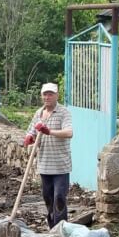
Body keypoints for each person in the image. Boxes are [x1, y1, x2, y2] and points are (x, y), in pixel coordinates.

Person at [22, 82, 74, 229]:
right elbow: (31, 131)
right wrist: (29, 138)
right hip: (44, 165)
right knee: (48, 199)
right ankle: (53, 228)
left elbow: (69, 133)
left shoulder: (63, 112)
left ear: (57, 95)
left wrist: (49, 131)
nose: (47, 97)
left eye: (51, 94)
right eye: (45, 94)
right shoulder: (39, 113)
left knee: (59, 199)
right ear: (41, 96)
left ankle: (61, 229)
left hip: (60, 165)